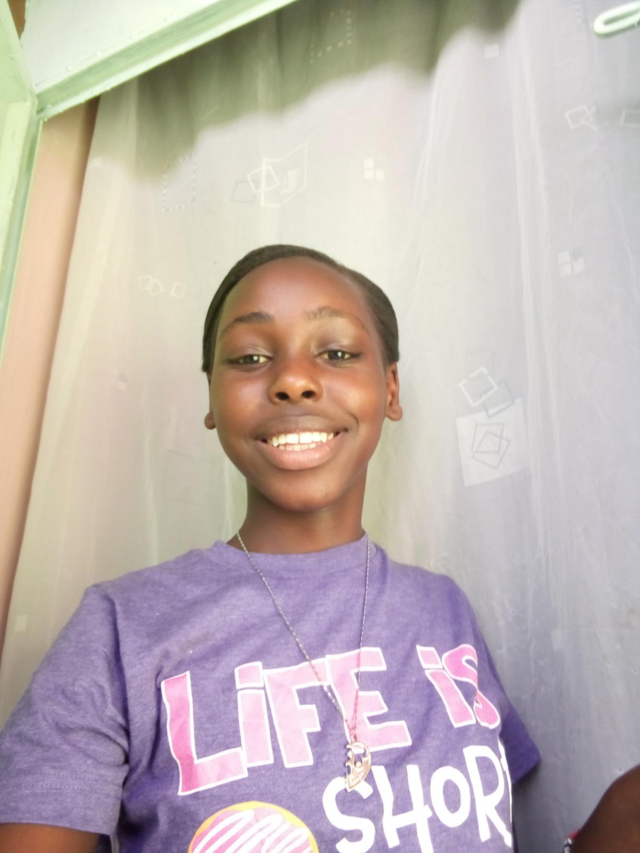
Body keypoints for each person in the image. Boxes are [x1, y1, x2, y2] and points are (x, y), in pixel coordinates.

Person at [0, 245, 635, 852]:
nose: (294, 380)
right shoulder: (120, 629)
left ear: (390, 390)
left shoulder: (444, 610)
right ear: (212, 398)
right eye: (250, 357)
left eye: (335, 352)